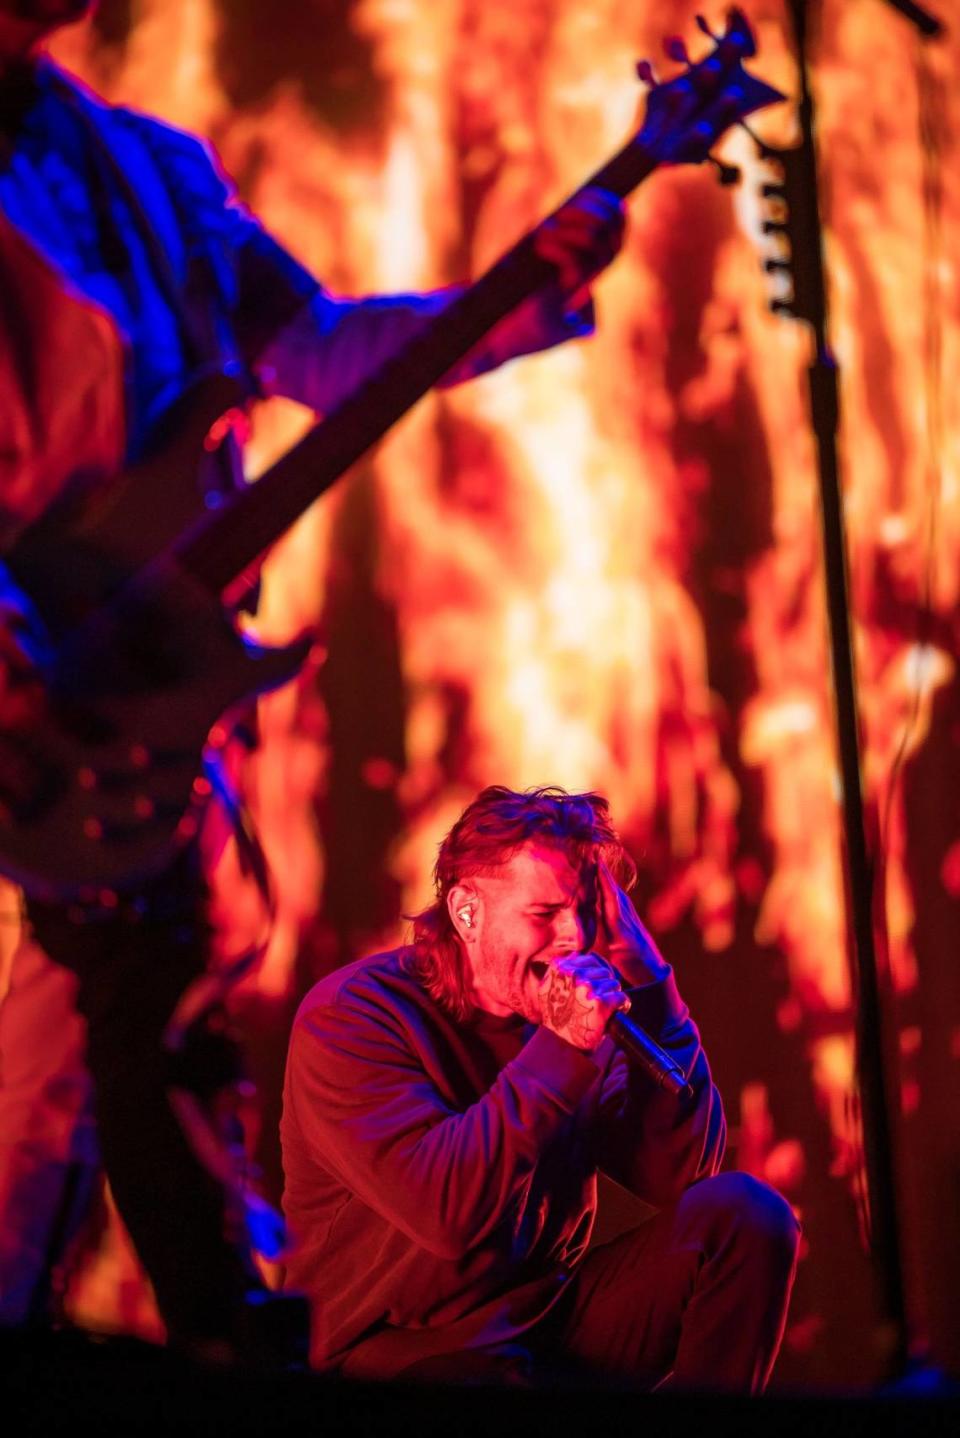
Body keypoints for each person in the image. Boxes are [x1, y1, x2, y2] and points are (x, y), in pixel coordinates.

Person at [0, 1, 625, 1359]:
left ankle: (230, 1335)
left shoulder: (148, 171)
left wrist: (511, 299)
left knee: (115, 1050)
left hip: (107, 736)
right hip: (30, 690)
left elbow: (324, 348)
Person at [281, 786, 800, 1388]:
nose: (574, 937)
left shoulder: (576, 1011)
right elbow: (447, 1213)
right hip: (396, 1346)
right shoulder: (353, 1017)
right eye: (544, 914)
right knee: (487, 1378)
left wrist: (652, 984)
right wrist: (561, 1046)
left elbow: (679, 1175)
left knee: (746, 1217)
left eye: (584, 910)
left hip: (542, 1314)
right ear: (466, 913)